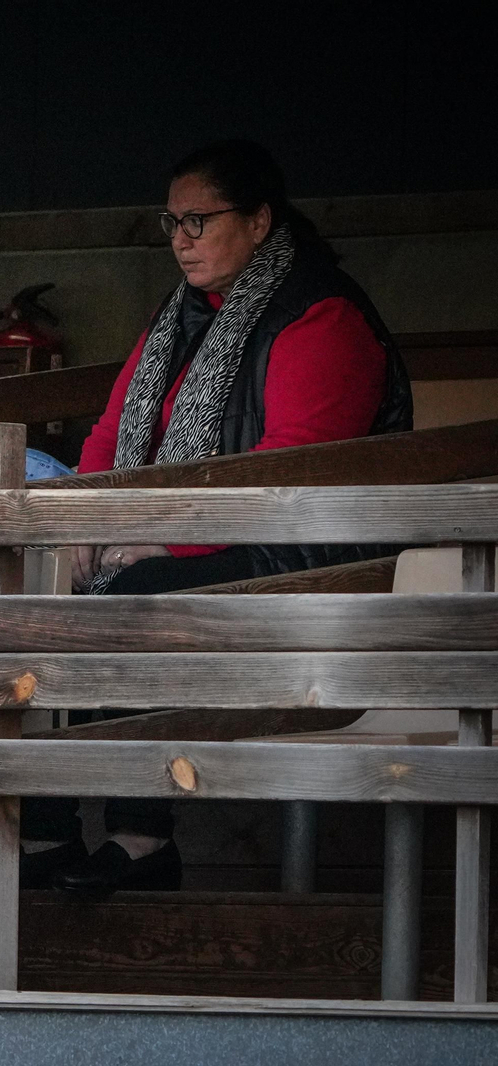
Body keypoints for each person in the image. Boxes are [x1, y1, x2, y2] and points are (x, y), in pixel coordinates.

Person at [35, 139, 413, 898]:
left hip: (308, 556)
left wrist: (159, 541)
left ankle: (142, 838)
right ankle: (43, 830)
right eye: (172, 222)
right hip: (197, 536)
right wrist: (83, 516)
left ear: (260, 220)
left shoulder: (322, 313)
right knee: (29, 590)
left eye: (199, 221)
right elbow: (110, 432)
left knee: (139, 595)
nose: (181, 239)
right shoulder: (179, 314)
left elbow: (290, 476)